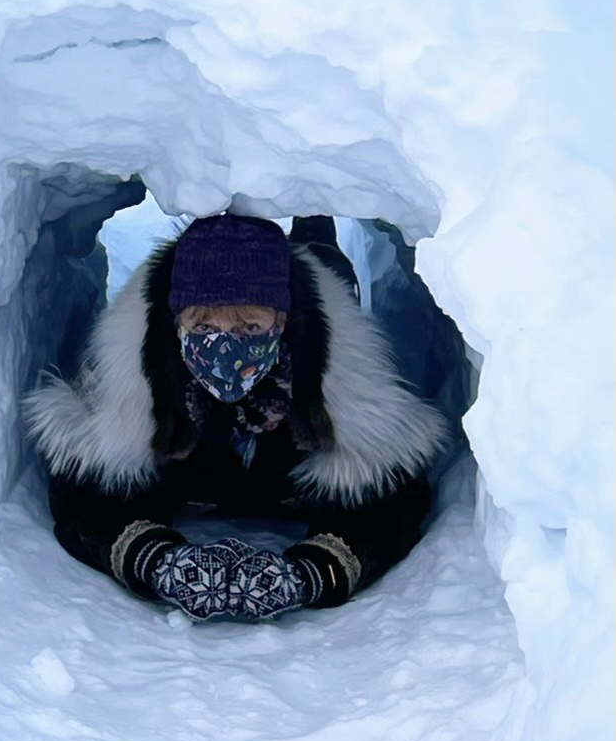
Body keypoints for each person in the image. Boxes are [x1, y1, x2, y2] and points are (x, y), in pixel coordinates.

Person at [25, 213, 448, 621]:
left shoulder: (334, 386)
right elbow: (84, 495)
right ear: (175, 324)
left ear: (282, 323)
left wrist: (314, 572)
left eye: (249, 328)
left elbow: (391, 501)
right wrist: (155, 559)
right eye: (203, 326)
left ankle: (316, 227)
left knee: (326, 262)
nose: (224, 346)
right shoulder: (141, 384)